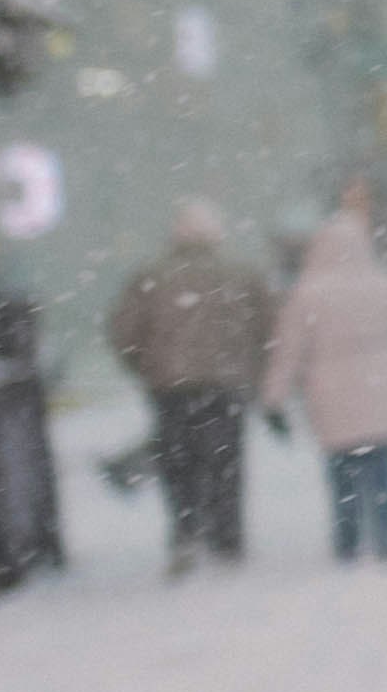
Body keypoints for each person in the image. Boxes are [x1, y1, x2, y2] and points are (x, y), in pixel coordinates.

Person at [263, 181, 387, 562]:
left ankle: (348, 539)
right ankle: (386, 537)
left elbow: (287, 351)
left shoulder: (308, 291)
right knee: (383, 469)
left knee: (342, 470)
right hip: (381, 383)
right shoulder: (382, 283)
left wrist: (274, 398)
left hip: (330, 387)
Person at [108, 205, 273, 576]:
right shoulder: (240, 275)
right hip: (226, 385)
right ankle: (227, 536)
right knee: (226, 462)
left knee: (179, 462)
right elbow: (266, 326)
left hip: (171, 388)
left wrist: (145, 368)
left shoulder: (151, 276)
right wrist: (252, 367)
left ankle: (185, 531)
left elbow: (124, 332)